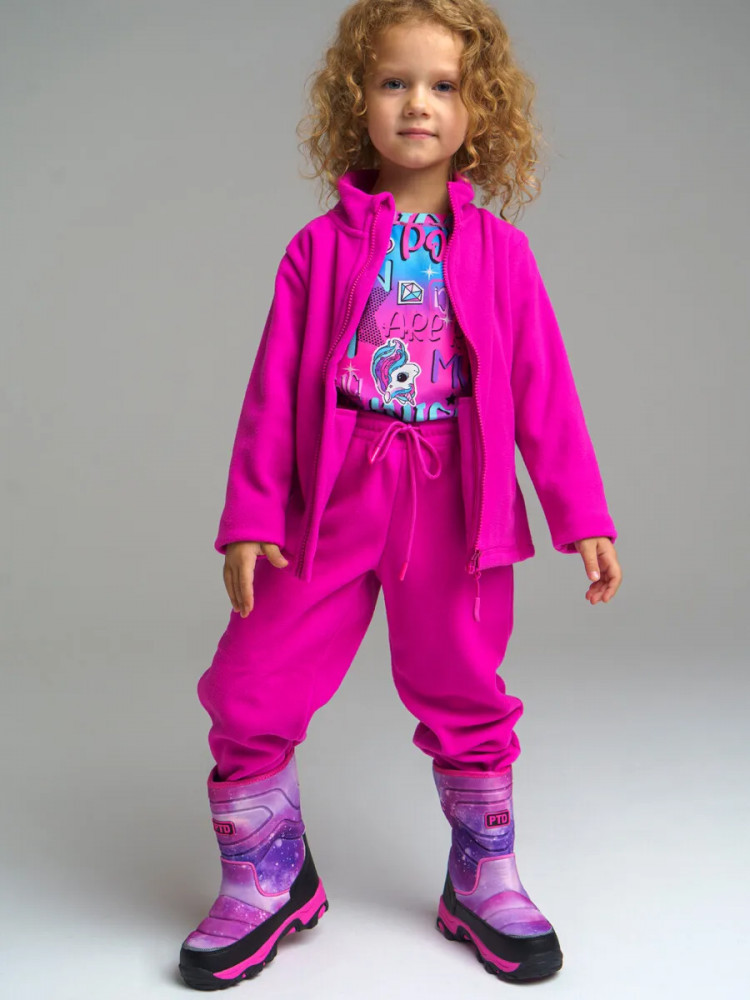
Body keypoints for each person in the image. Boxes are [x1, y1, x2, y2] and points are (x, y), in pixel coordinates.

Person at [178, 0, 622, 989]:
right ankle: (265, 874)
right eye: (393, 82)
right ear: (358, 101)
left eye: (444, 85)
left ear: (479, 109)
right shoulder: (316, 249)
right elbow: (270, 394)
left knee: (466, 682)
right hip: (330, 501)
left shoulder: (502, 254)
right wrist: (251, 518)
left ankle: (484, 876)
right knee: (252, 680)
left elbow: (545, 391)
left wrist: (581, 515)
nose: (418, 103)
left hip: (457, 506)